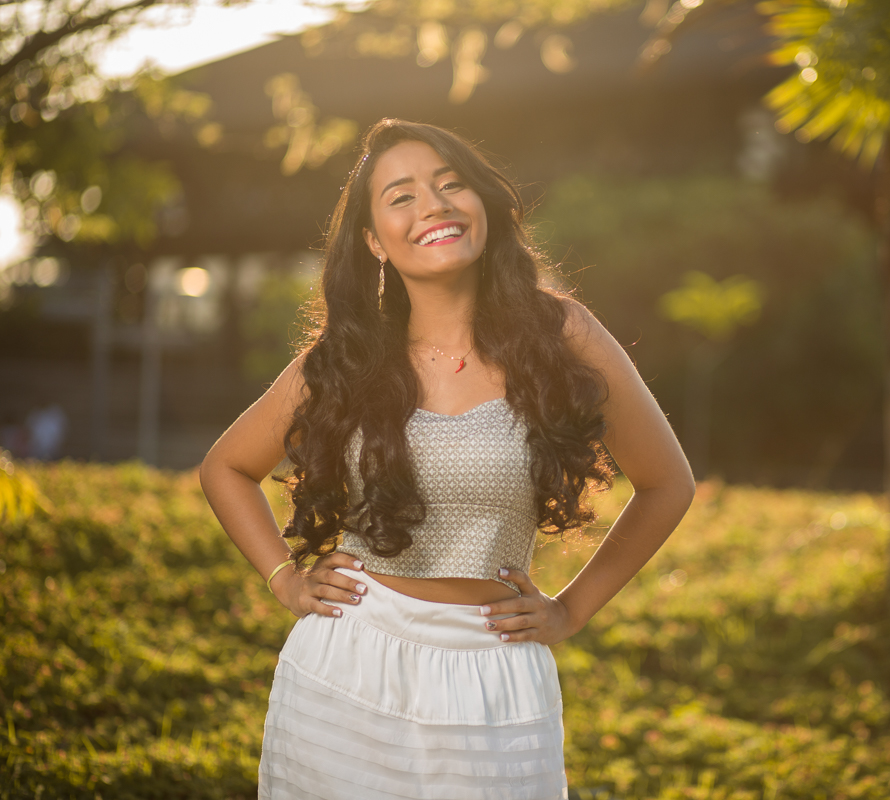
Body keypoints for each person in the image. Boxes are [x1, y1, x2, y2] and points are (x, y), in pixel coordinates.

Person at [199, 118, 695, 799]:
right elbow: (226, 468)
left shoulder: (561, 334)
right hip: (347, 667)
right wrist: (285, 579)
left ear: (481, 205)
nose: (433, 205)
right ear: (374, 240)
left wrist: (571, 611)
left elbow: (667, 484)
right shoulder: (348, 357)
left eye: (450, 184)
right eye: (401, 196)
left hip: (496, 672)